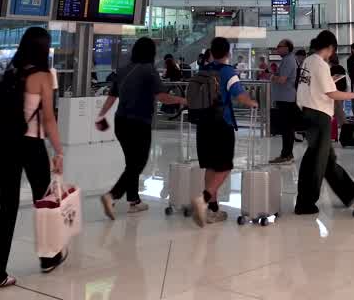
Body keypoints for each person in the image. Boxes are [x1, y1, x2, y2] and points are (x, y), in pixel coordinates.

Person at [0, 27, 65, 291]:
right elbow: (48, 118)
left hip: (4, 145)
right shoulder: (43, 76)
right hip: (31, 145)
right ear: (43, 48)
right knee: (45, 202)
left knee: (8, 208)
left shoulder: (11, 72)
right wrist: (59, 151)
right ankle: (49, 257)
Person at [96, 37, 188, 218]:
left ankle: (134, 201)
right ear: (151, 53)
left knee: (131, 162)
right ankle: (112, 195)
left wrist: (101, 115)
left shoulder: (123, 70)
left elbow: (112, 96)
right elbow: (162, 96)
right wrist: (183, 100)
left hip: (120, 122)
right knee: (137, 163)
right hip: (139, 123)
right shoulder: (149, 70)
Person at [294, 30, 354, 215]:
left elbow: (310, 85)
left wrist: (330, 81)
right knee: (317, 161)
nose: (332, 53)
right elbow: (332, 94)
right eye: (332, 50)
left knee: (325, 159)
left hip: (308, 112)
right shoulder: (320, 64)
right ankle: (305, 203)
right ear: (329, 47)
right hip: (319, 115)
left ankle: (350, 194)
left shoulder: (308, 61)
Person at [191, 37, 257, 227]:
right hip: (221, 125)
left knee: (211, 167)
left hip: (203, 125)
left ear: (211, 52)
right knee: (225, 166)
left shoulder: (202, 70)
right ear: (228, 53)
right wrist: (253, 102)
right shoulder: (229, 72)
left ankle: (212, 210)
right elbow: (240, 95)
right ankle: (203, 200)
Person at [268, 39, 301, 164]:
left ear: (287, 48)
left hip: (286, 99)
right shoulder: (288, 60)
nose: (277, 49)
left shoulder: (288, 60)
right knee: (287, 127)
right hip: (285, 97)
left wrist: (271, 77)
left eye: (279, 46)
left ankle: (286, 154)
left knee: (287, 128)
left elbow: (282, 80)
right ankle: (287, 154)